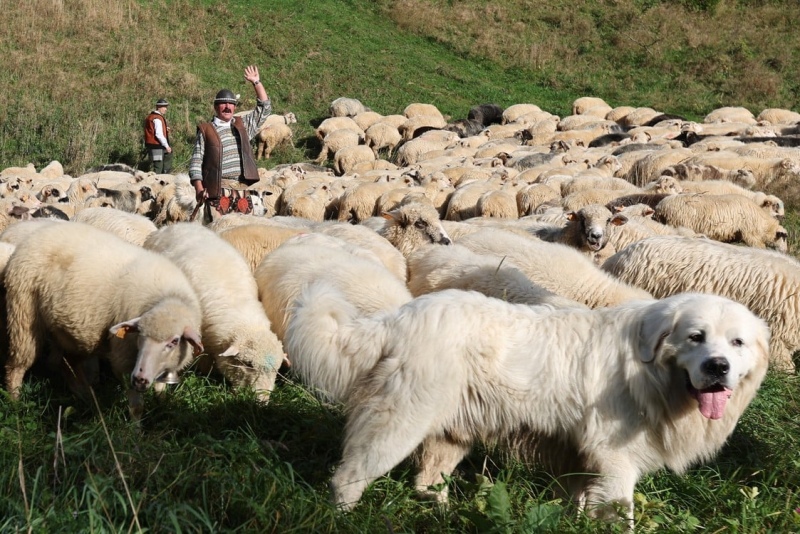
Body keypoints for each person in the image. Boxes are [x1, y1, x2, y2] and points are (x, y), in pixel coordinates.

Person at [189, 65, 271, 222]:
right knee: (218, 233)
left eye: (231, 103)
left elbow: (265, 108)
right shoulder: (206, 130)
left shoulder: (243, 126)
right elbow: (196, 162)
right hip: (217, 191)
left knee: (242, 235)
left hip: (242, 191)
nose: (227, 107)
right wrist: (199, 189)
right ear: (216, 107)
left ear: (235, 107)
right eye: (223, 103)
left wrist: (256, 82)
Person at [143, 98, 173, 174]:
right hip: (157, 146)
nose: (166, 109)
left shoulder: (151, 116)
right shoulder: (157, 118)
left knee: (159, 165)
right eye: (164, 107)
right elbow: (158, 134)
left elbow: (152, 130)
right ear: (158, 107)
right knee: (158, 168)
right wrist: (167, 146)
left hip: (154, 146)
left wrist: (165, 129)